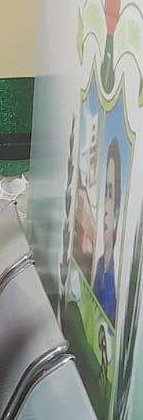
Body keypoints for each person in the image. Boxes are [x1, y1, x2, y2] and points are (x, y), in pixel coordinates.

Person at [92, 138, 121, 324]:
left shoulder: (119, 282)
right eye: (105, 193)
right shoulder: (99, 266)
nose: (105, 210)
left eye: (110, 194)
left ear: (117, 211)